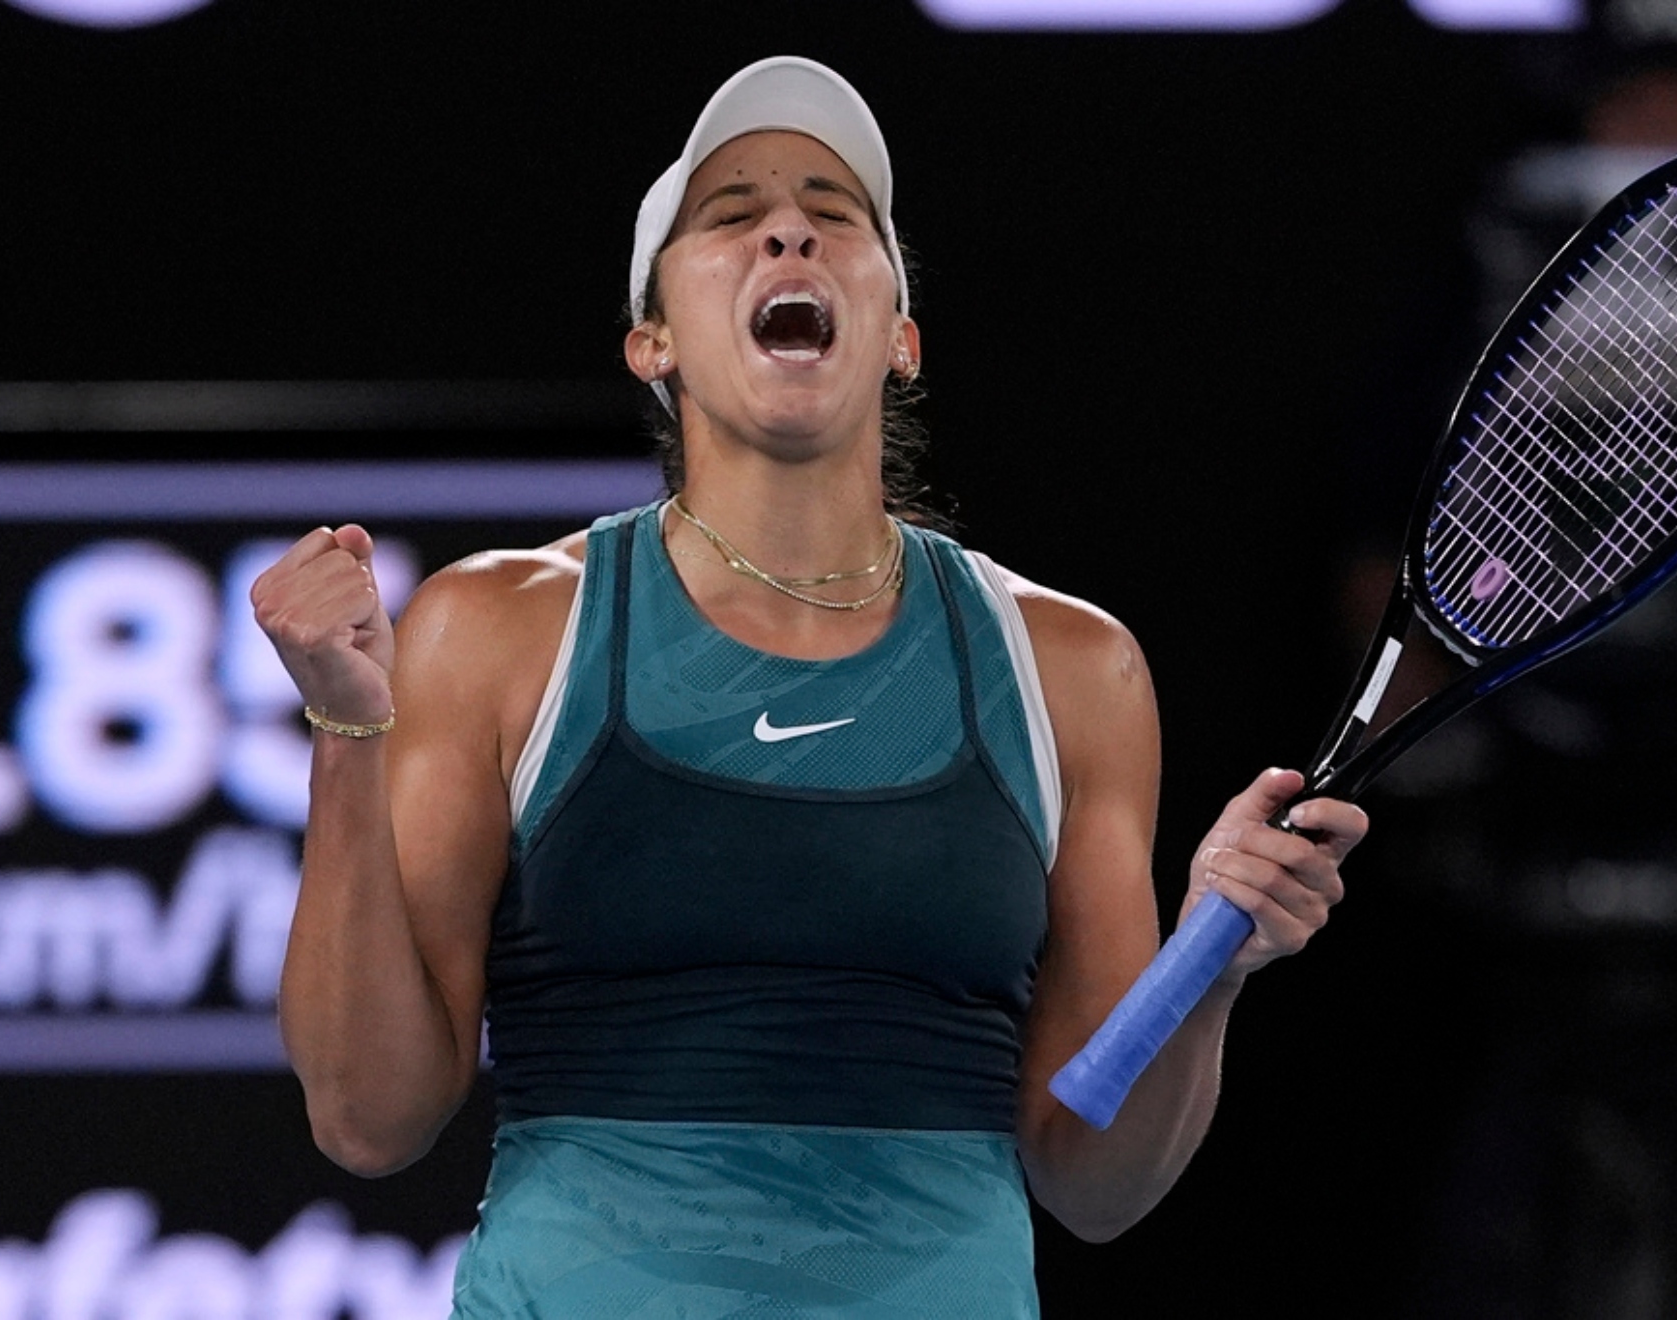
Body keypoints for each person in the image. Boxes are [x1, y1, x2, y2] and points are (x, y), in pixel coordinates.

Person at [250, 55, 1366, 1316]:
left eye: (837, 214)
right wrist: (347, 728)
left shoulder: (1072, 668)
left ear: (899, 336)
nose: (790, 225)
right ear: (650, 339)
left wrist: (1210, 963)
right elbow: (367, 1115)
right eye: (730, 216)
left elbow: (1094, 1180)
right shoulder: (498, 628)